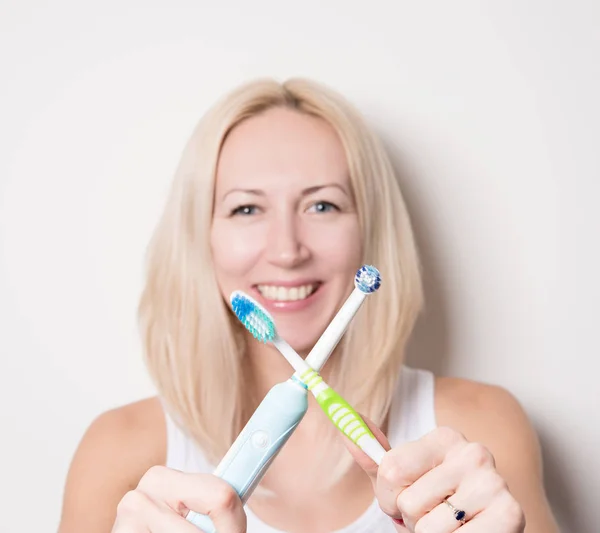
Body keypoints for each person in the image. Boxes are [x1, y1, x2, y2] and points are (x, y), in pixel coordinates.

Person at [57, 78, 559, 533]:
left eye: (323, 205)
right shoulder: (119, 454)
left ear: (370, 232)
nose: (286, 250)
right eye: (246, 208)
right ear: (201, 239)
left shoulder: (480, 434)